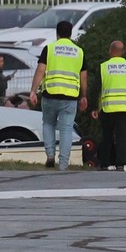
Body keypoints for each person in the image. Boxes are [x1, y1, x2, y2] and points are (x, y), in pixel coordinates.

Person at [29, 19, 87, 171]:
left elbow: (41, 70)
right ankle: (63, 164)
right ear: (71, 33)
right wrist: (84, 96)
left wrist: (33, 91)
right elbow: (83, 76)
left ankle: (49, 154)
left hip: (51, 94)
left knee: (48, 123)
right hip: (70, 97)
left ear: (57, 33)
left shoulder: (50, 48)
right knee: (66, 129)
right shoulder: (79, 51)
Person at [90, 40, 126, 172]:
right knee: (122, 137)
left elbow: (96, 88)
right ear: (123, 52)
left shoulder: (103, 67)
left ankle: (104, 163)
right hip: (125, 108)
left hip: (108, 108)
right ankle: (120, 164)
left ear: (110, 51)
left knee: (107, 136)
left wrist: (94, 107)